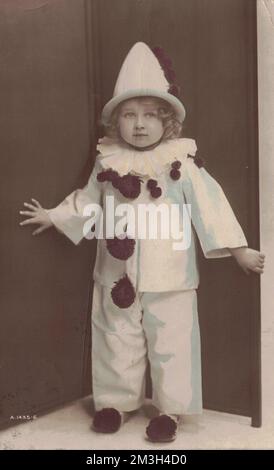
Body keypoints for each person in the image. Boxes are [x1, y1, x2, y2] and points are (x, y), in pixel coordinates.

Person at [19, 42, 265, 442]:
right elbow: (89, 200)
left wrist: (238, 249)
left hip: (170, 275)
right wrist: (55, 215)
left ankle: (170, 411)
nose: (138, 124)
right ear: (116, 122)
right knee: (116, 337)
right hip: (117, 274)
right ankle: (115, 403)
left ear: (167, 122)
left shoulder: (181, 162)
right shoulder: (107, 159)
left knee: (172, 340)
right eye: (129, 115)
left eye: (150, 115)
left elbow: (210, 203)